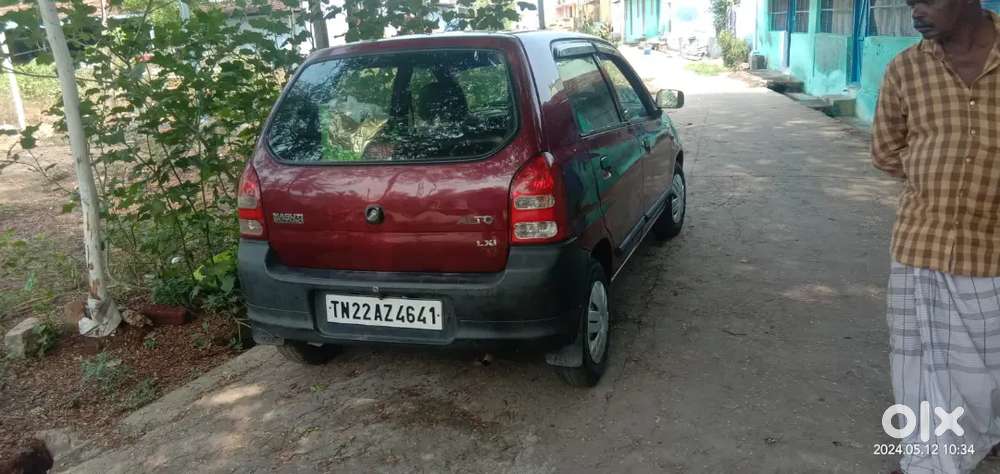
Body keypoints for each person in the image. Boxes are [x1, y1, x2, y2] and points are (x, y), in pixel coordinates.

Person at [872, 0, 1000, 472]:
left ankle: (978, 436)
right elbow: (886, 150)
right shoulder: (905, 69)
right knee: (919, 367)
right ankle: (927, 461)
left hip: (991, 250)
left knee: (984, 369)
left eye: (926, 1)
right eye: (910, 4)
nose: (915, 13)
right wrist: (934, 170)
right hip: (919, 245)